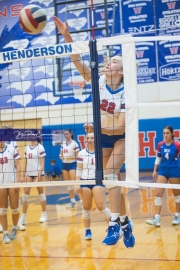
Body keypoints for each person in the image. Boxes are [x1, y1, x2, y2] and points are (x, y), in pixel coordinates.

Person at [53, 16, 135, 248]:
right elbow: (77, 60)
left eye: (115, 61)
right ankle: (126, 224)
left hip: (120, 136)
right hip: (103, 136)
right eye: (110, 60)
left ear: (122, 70)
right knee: (112, 180)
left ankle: (114, 225)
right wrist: (66, 35)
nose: (109, 62)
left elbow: (121, 126)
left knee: (109, 175)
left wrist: (96, 128)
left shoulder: (126, 92)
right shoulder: (98, 81)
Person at [76, 133, 111, 240]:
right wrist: (77, 183)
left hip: (98, 181)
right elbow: (79, 170)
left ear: (95, 140)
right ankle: (87, 231)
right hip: (85, 181)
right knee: (86, 207)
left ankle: (112, 227)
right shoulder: (81, 153)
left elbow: (106, 167)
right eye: (88, 138)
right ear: (85, 140)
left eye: (92, 138)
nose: (90, 140)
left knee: (101, 205)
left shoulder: (101, 153)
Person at [146, 126, 180, 226]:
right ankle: (157, 218)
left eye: (167, 133)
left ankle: (177, 216)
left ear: (172, 133)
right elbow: (158, 157)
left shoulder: (177, 144)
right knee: (157, 194)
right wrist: (154, 170)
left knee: (177, 195)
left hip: (174, 171)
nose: (165, 135)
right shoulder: (160, 144)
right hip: (163, 171)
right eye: (164, 133)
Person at [0, 125, 25, 232]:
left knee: (15, 204)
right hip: (2, 179)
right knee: (2, 206)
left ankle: (17, 223)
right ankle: (3, 226)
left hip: (12, 176)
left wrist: (19, 178)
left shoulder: (13, 145)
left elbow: (18, 163)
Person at [18, 138, 47, 226]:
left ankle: (44, 214)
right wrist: (22, 176)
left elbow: (42, 164)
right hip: (29, 174)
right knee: (25, 195)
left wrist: (38, 176)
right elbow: (25, 163)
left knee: (41, 194)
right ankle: (24, 217)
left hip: (38, 174)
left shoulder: (40, 147)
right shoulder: (27, 148)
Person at [0, 139, 21, 244]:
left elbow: (18, 165)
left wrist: (17, 181)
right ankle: (5, 234)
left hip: (12, 182)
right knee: (2, 209)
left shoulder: (11, 149)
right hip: (1, 184)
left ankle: (14, 228)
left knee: (15, 209)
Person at [59, 129, 81, 208]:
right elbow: (60, 154)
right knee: (69, 185)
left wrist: (68, 158)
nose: (66, 136)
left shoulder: (74, 143)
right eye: (64, 134)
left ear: (71, 134)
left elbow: (78, 155)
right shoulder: (63, 143)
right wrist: (61, 157)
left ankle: (82, 201)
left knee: (75, 185)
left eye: (67, 134)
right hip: (64, 165)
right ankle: (72, 201)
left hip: (72, 165)